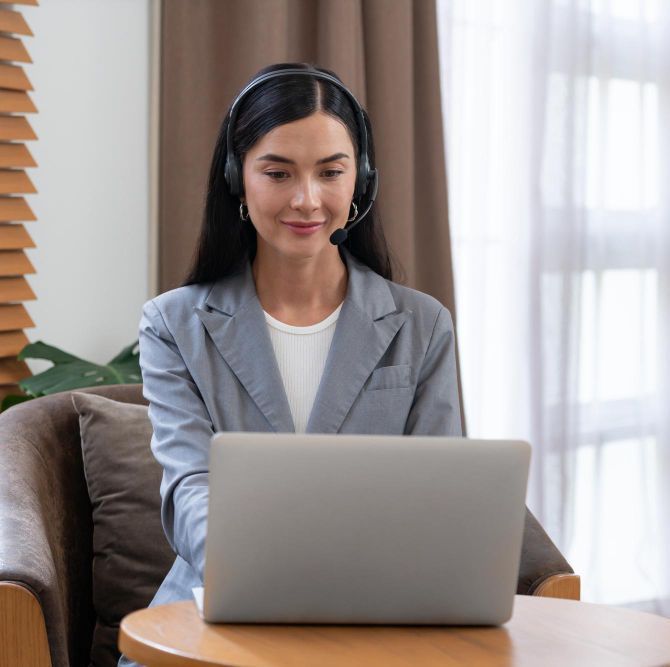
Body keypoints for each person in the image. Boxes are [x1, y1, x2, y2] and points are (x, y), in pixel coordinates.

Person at [119, 62, 461, 666]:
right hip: (216, 616)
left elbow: (438, 499)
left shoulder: (422, 324)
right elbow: (191, 488)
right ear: (237, 180)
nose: (307, 200)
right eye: (278, 172)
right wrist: (262, 573)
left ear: (362, 180)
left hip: (375, 620)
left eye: (332, 172)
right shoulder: (173, 324)